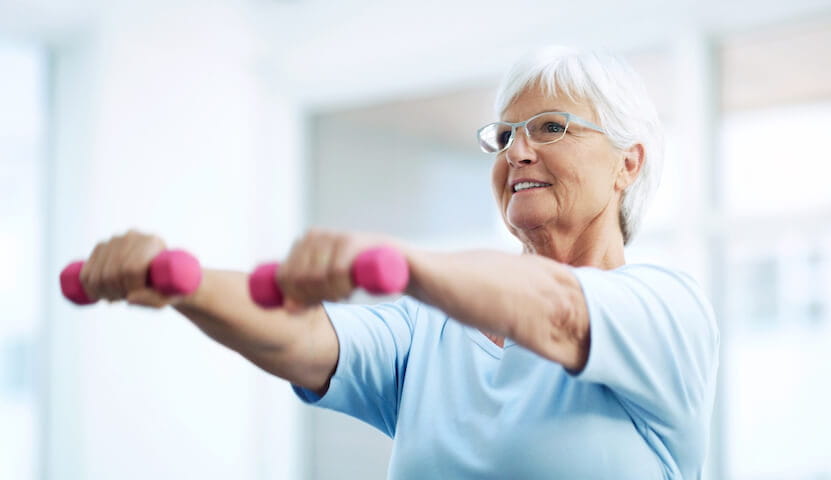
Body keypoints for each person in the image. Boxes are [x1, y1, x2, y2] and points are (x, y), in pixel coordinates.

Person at [77, 46, 718, 479]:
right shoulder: (430, 330)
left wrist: (395, 261)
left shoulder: (666, 312)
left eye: (551, 127)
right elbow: (302, 336)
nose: (516, 152)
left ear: (628, 163)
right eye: (504, 136)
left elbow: (557, 310)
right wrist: (176, 280)